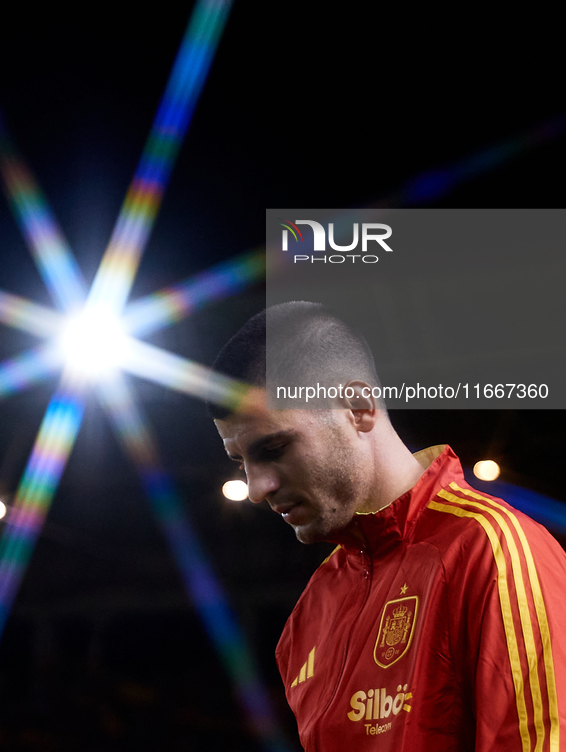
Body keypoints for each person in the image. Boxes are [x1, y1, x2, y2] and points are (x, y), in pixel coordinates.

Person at [210, 301, 566, 751]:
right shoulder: (311, 612)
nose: (257, 488)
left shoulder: (491, 550)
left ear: (358, 407)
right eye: (240, 462)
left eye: (274, 448)